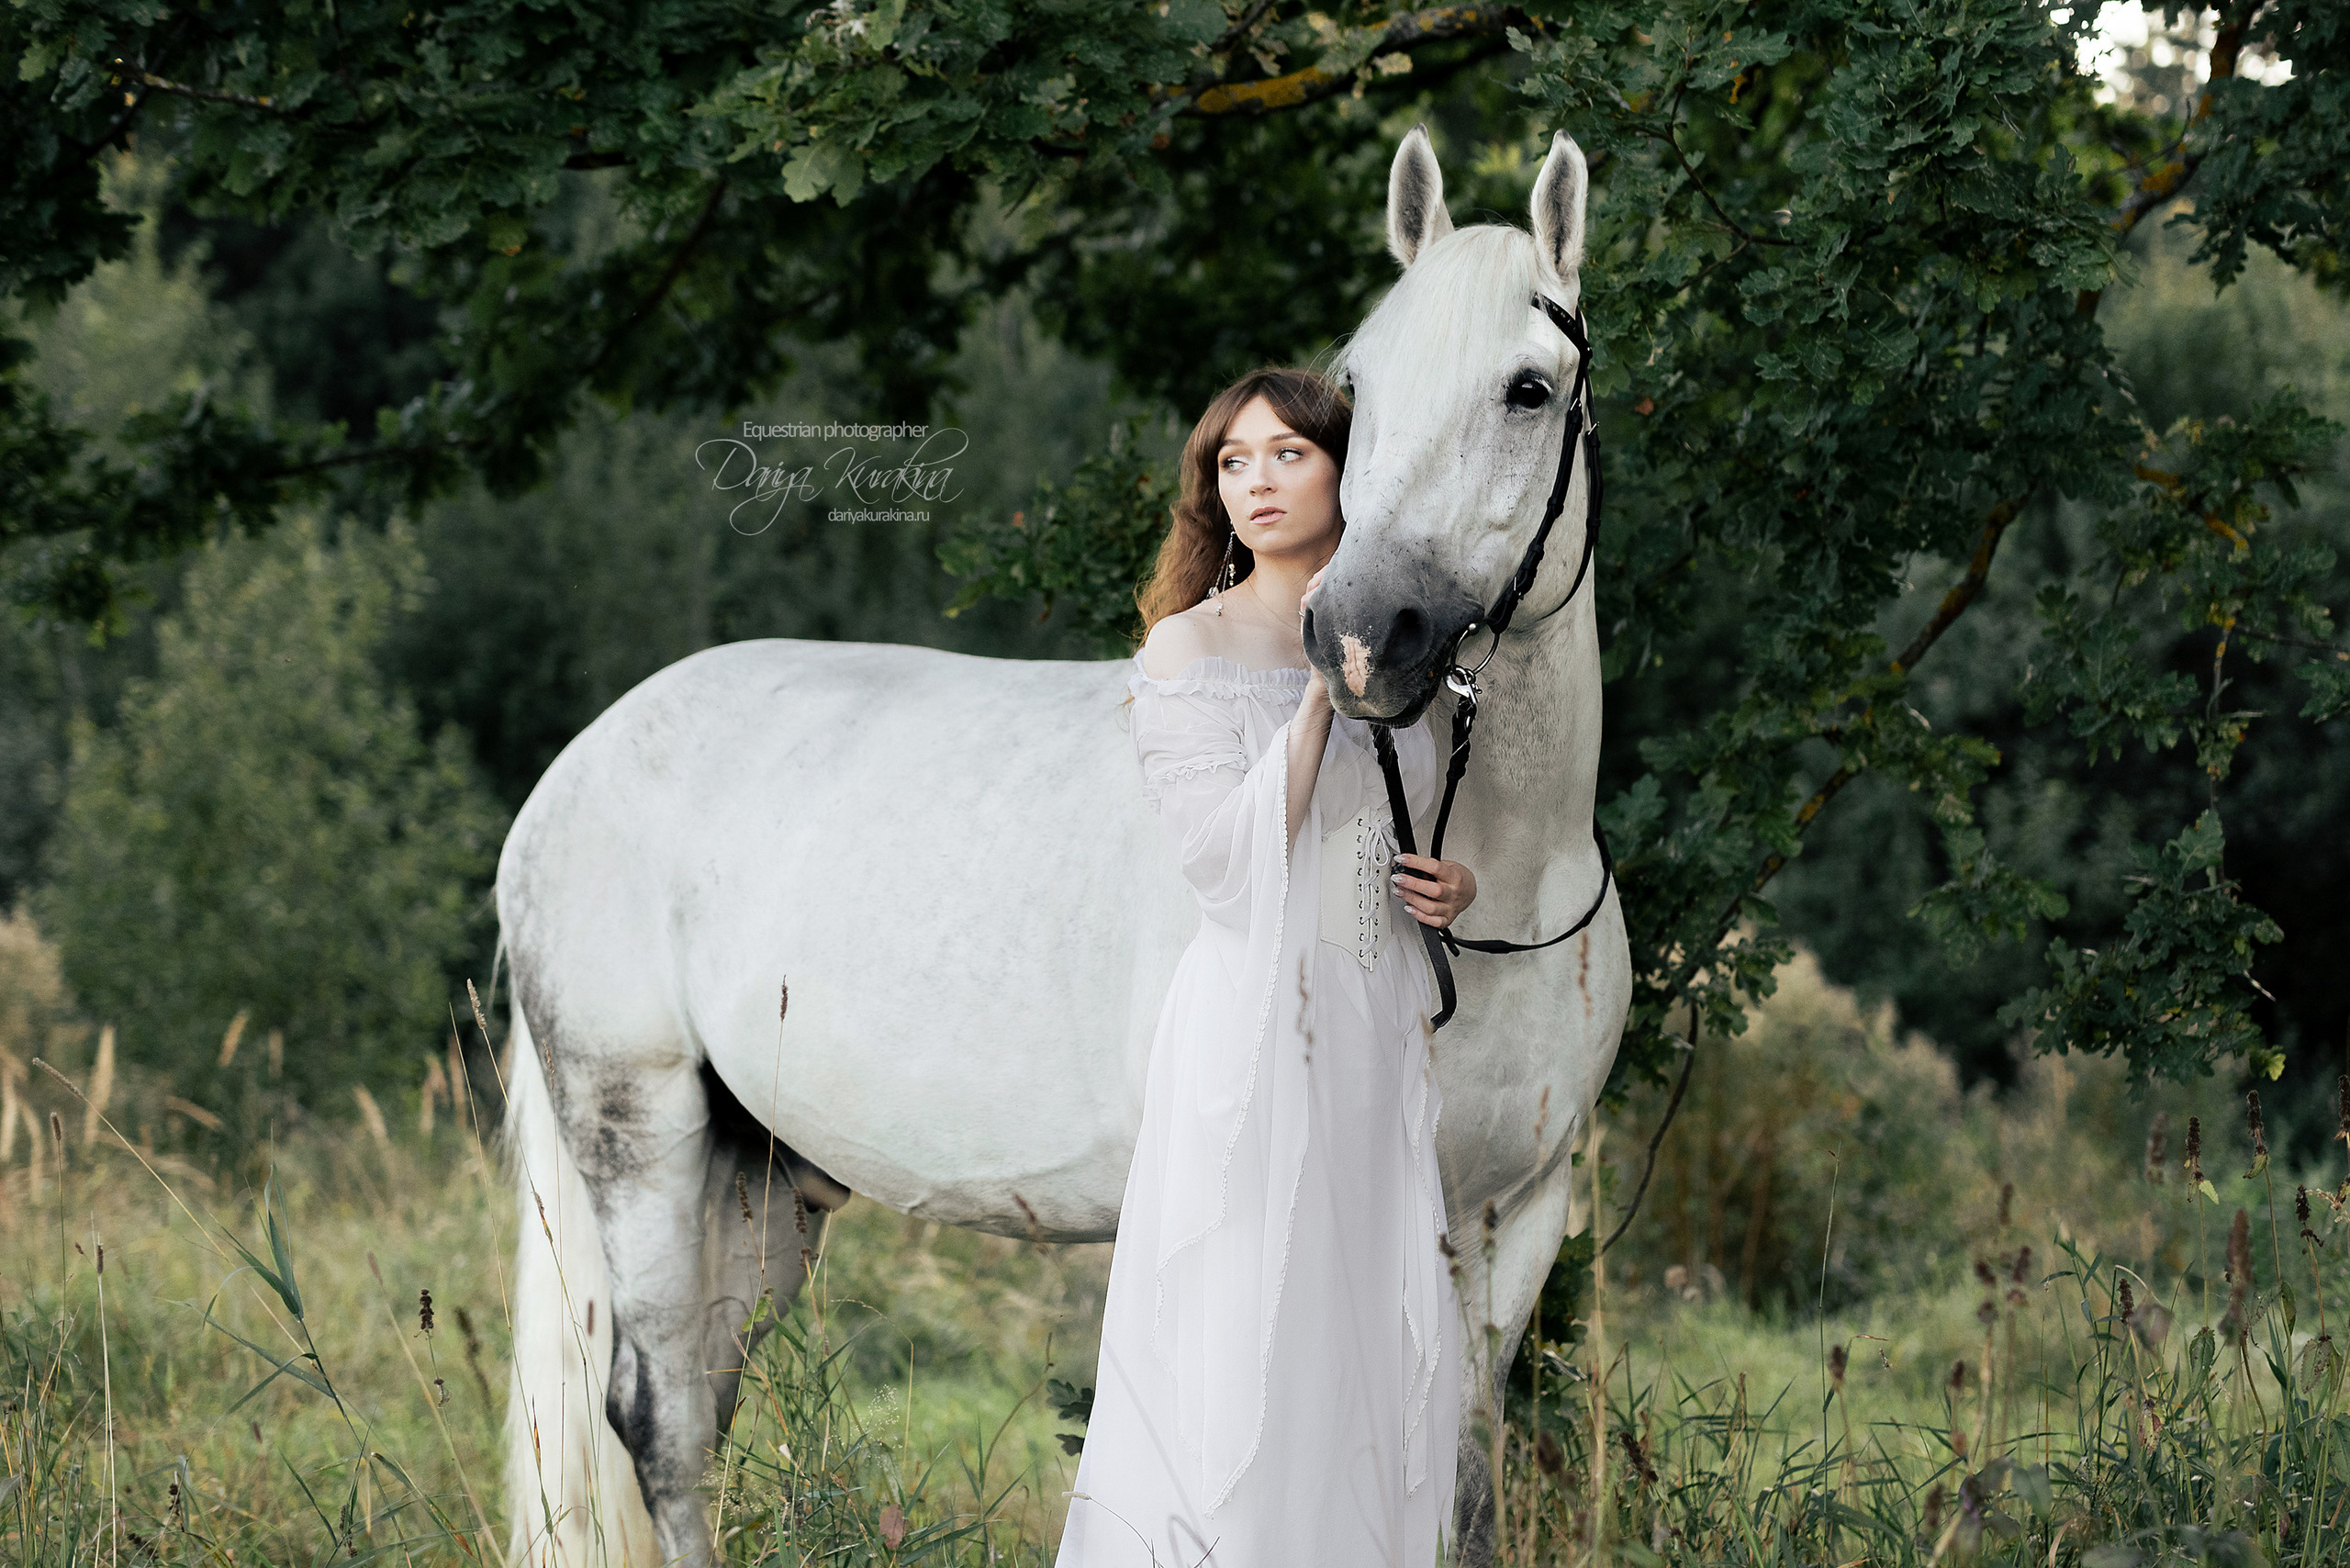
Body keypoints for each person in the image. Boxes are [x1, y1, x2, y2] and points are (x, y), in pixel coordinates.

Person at [1058, 367, 1475, 1567]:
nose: (1257, 482)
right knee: (1242, 1320)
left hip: (1372, 1001)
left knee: (1363, 1321)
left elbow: (1425, 830)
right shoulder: (1184, 647)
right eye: (1234, 463)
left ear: (1347, 470)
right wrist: (1315, 699)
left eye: (1288, 453)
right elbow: (1225, 871)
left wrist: (1461, 883)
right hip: (1245, 1025)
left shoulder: (1416, 650)